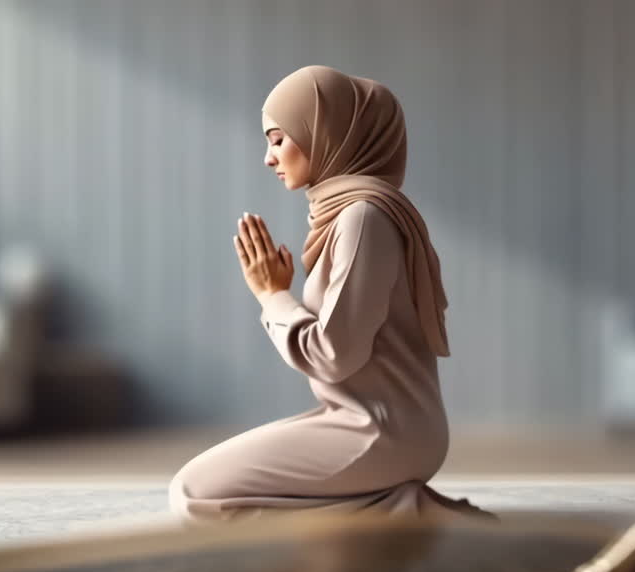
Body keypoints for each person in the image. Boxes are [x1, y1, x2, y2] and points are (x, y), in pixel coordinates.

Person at [168, 65, 488, 522]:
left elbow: (334, 356)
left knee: (195, 497)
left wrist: (273, 296)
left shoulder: (362, 218)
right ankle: (401, 512)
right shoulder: (348, 216)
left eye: (278, 139)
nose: (269, 157)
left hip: (381, 431)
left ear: (325, 133)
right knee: (201, 490)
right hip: (362, 420)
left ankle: (410, 521)